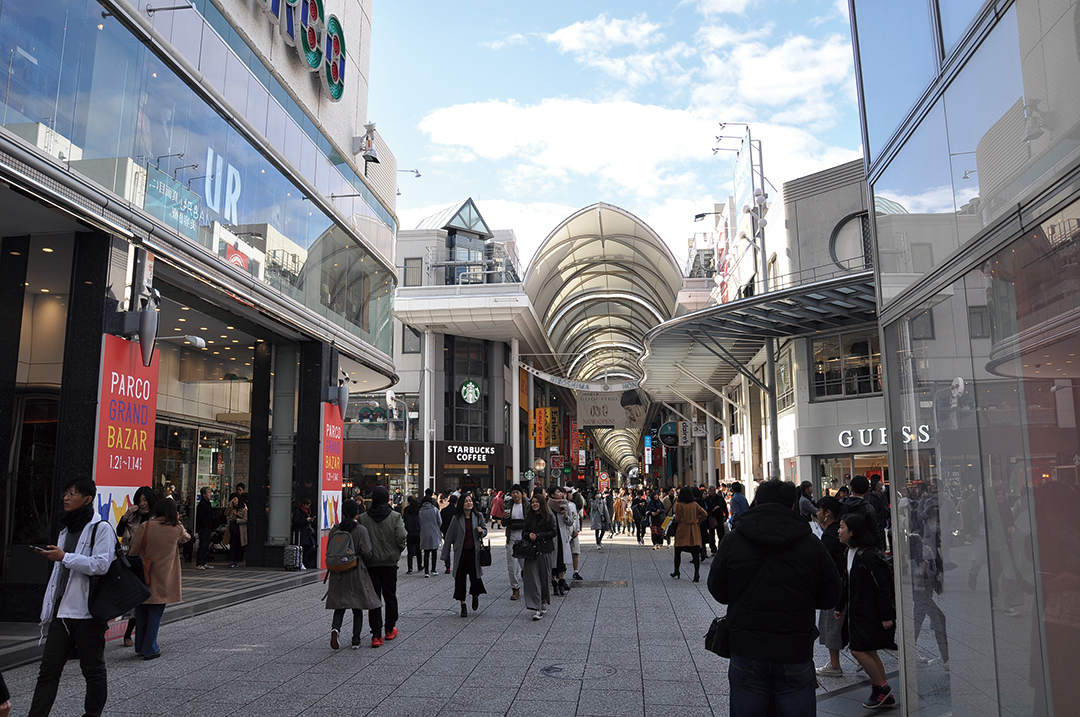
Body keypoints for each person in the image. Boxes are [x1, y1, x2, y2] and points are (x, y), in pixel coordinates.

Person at [708, 480, 842, 717]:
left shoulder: (734, 539)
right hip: (795, 649)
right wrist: (803, 600)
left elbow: (717, 589)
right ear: (793, 506)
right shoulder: (811, 543)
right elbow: (831, 593)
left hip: (747, 647)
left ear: (757, 502)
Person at [29, 476, 113, 717]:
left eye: (72, 493)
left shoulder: (101, 528)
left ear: (87, 499)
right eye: (65, 493)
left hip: (87, 613)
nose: (66, 497)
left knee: (93, 670)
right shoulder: (66, 529)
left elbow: (101, 565)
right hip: (61, 612)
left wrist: (65, 557)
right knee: (48, 671)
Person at [836, 512, 897, 709]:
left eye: (842, 527)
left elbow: (882, 586)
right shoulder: (848, 553)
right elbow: (847, 584)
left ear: (852, 532)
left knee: (858, 649)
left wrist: (887, 615)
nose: (839, 531)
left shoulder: (868, 556)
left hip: (869, 612)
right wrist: (840, 606)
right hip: (856, 611)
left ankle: (881, 688)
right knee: (869, 650)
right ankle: (883, 689)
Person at [129, 496, 189, 660]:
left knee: (141, 611)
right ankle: (150, 647)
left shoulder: (146, 526)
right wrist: (178, 520)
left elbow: (133, 551)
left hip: (143, 573)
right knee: (155, 612)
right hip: (163, 576)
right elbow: (186, 538)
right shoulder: (176, 528)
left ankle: (140, 646)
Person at [325, 499, 381, 649]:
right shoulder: (360, 530)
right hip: (355, 570)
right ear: (357, 512)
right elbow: (367, 551)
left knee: (340, 604)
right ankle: (355, 640)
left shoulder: (335, 529)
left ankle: (335, 629)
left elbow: (329, 550)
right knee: (358, 606)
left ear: (342, 512)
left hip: (337, 572)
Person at [359, 486, 407, 647]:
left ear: (372, 499)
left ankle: (375, 635)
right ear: (387, 499)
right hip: (389, 562)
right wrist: (397, 550)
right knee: (390, 595)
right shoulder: (395, 516)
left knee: (374, 598)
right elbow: (401, 536)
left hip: (371, 563)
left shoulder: (364, 518)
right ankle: (389, 629)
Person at [115, 486, 157, 647]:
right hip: (131, 560)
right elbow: (120, 532)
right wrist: (125, 516)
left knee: (144, 598)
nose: (142, 503)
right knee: (134, 597)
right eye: (140, 500)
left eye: (145, 500)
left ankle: (136, 635)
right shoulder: (132, 517)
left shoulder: (157, 517)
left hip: (150, 561)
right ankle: (130, 634)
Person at [813, 496, 848, 677]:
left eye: (819, 510)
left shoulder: (829, 535)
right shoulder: (838, 530)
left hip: (834, 584)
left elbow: (826, 563)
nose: (817, 513)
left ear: (828, 513)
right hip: (843, 581)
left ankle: (835, 665)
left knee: (832, 623)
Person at [441, 491, 488, 617]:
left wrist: (481, 531)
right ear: (461, 504)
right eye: (466, 501)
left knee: (475, 577)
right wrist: (444, 554)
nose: (469, 503)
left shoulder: (478, 517)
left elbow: (485, 530)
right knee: (460, 579)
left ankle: (475, 595)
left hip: (474, 552)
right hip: (461, 553)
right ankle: (463, 605)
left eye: (470, 501)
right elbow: (449, 537)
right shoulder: (456, 519)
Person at [521, 493, 557, 621]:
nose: (534, 504)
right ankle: (536, 607)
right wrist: (529, 535)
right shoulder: (529, 516)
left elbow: (553, 531)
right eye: (533, 502)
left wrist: (539, 536)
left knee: (544, 577)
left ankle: (543, 601)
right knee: (532, 578)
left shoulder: (548, 516)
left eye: (537, 502)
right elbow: (523, 532)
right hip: (531, 552)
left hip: (544, 550)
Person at [672, 487, 708, 581]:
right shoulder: (695, 504)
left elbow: (677, 519)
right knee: (695, 553)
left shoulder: (679, 505)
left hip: (683, 529)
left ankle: (677, 570)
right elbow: (704, 513)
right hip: (694, 529)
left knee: (678, 551)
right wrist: (697, 521)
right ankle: (696, 574)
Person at [548, 486, 576, 595]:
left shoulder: (565, 504)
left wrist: (565, 515)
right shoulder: (547, 506)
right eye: (558, 492)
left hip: (562, 537)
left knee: (561, 560)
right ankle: (554, 583)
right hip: (552, 536)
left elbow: (570, 522)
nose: (560, 494)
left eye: (561, 492)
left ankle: (561, 583)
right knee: (552, 562)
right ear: (552, 494)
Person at [841, 476, 881, 551]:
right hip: (864, 545)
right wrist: (878, 547)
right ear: (867, 491)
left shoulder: (841, 505)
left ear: (852, 488)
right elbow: (874, 529)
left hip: (844, 545)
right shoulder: (868, 508)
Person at [502, 484, 526, 600]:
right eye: (513, 493)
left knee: (526, 566)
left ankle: (530, 587)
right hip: (511, 538)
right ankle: (515, 589)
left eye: (517, 492)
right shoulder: (508, 505)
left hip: (524, 539)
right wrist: (505, 518)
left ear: (522, 493)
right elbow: (503, 524)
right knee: (512, 566)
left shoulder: (527, 505)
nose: (515, 494)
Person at [418, 490, 442, 577]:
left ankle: (426, 571)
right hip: (434, 531)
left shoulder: (420, 511)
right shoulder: (435, 510)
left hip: (424, 532)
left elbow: (420, 522)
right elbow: (439, 521)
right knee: (434, 551)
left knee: (426, 553)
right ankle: (433, 569)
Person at [222, 493, 248, 568]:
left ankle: (236, 560)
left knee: (239, 547)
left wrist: (237, 520)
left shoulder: (243, 509)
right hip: (232, 531)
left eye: (235, 499)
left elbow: (245, 520)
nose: (234, 501)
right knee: (232, 546)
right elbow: (225, 514)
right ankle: (231, 560)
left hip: (240, 531)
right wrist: (229, 506)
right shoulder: (232, 509)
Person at [291, 498, 316, 569]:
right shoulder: (298, 512)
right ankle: (301, 562)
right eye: (307, 505)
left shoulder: (308, 511)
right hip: (301, 532)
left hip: (307, 532)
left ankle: (304, 562)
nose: (308, 507)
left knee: (311, 547)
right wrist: (306, 520)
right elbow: (296, 522)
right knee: (303, 548)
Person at [195, 486, 216, 570]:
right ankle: (199, 563)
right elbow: (201, 517)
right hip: (204, 527)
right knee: (203, 545)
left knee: (206, 545)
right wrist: (206, 525)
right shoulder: (202, 504)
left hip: (208, 527)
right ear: (204, 495)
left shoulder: (208, 503)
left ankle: (203, 562)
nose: (210, 494)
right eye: (208, 493)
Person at [439, 494, 458, 575]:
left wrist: (442, 530)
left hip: (446, 531)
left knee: (447, 549)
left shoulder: (443, 511)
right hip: (457, 532)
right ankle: (457, 565)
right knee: (457, 549)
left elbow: (441, 522)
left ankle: (448, 567)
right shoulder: (457, 511)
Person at [403, 497, 422, 574]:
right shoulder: (419, 511)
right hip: (418, 532)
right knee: (418, 550)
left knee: (410, 551)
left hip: (409, 533)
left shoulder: (407, 510)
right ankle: (419, 565)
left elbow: (405, 520)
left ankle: (410, 568)